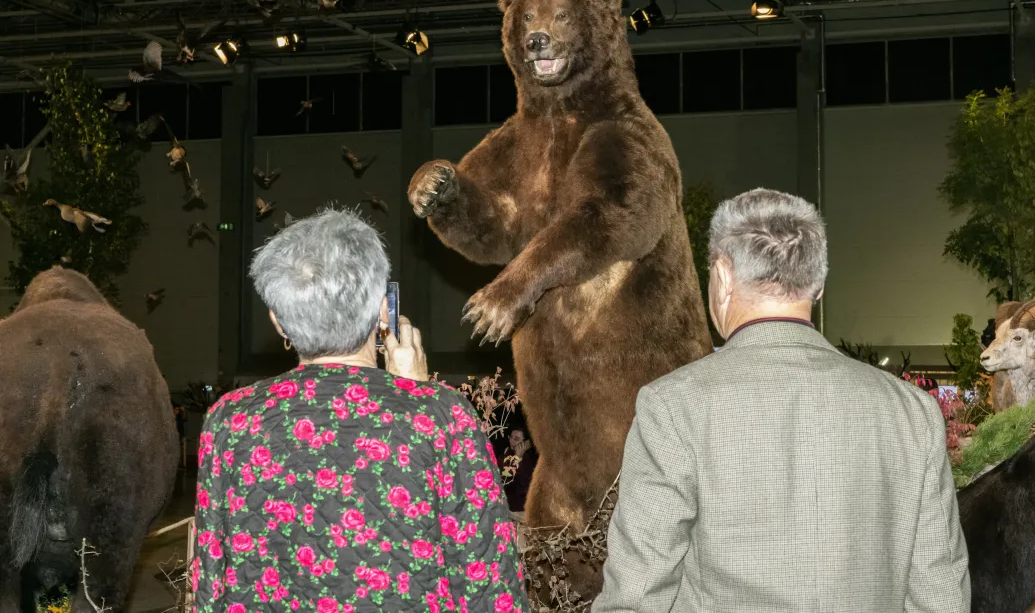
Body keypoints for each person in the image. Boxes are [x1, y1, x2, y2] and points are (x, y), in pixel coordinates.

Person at [593, 189, 969, 613]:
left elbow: (636, 598)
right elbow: (941, 598)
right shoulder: (910, 412)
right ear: (818, 285)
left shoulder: (674, 407)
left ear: (724, 276)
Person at [191, 208, 527, 613]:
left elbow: (211, 578)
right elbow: (490, 584)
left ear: (277, 321)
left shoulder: (230, 420)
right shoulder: (442, 415)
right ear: (383, 309)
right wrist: (418, 396)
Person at [502, 427, 538, 514]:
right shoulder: (506, 454)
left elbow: (524, 485)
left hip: (520, 508)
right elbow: (504, 481)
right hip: (505, 504)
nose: (512, 441)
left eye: (517, 439)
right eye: (511, 437)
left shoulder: (530, 459)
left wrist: (518, 458)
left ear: (525, 443)